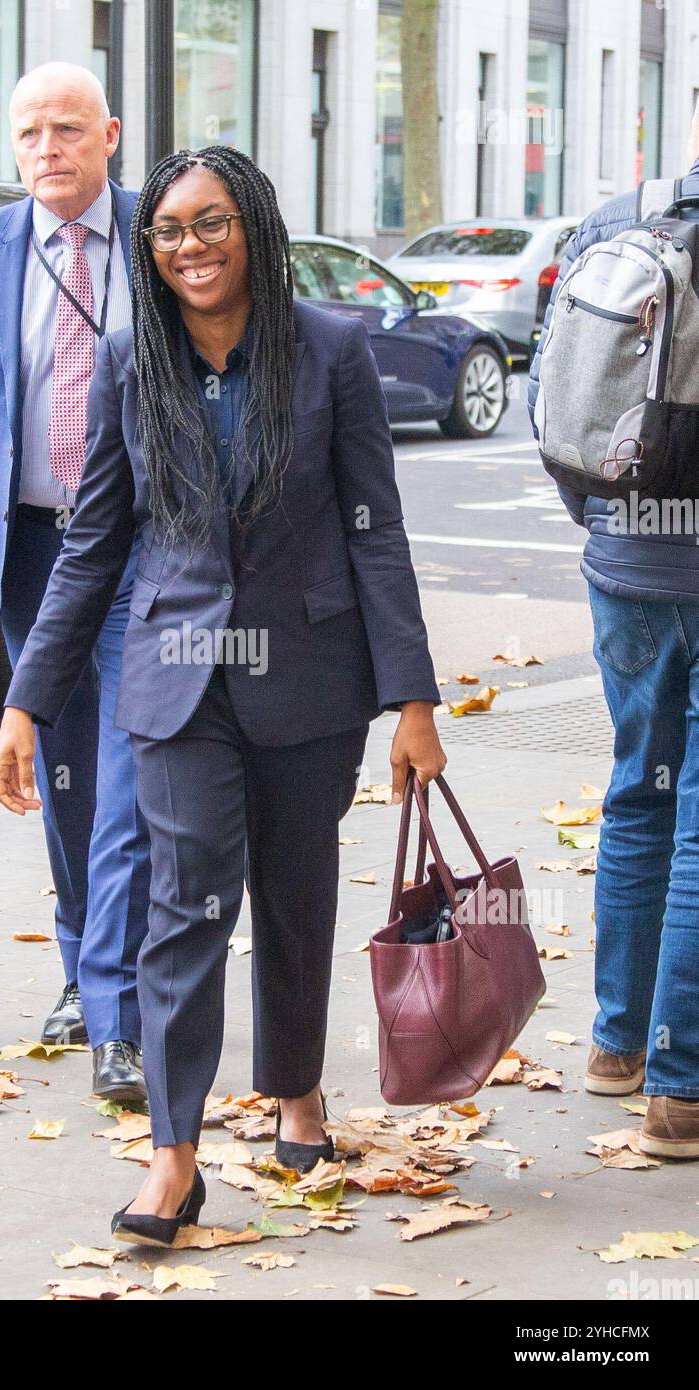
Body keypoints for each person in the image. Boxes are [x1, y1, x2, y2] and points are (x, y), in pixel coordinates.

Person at [0, 145, 445, 1244]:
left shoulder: (330, 350)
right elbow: (94, 543)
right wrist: (25, 702)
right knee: (181, 910)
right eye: (169, 230)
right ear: (149, 249)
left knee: (296, 897)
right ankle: (173, 1153)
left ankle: (294, 1091)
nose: (189, 246)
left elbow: (373, 533)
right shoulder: (126, 358)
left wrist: (415, 701)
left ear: (254, 227)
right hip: (174, 682)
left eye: (211, 223)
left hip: (308, 678)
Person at [0, 63, 151, 1102]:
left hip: (147, 551)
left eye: (64, 128)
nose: (45, 148)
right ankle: (78, 971)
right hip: (32, 554)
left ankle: (123, 1005)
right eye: (26, 133)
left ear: (109, 134)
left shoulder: (163, 233)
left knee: (138, 773)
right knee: (63, 774)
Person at [529, 101, 699, 1159]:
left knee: (641, 783)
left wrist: (605, 526)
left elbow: (558, 410)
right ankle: (680, 1090)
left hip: (625, 554)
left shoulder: (615, 219)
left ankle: (614, 1045)